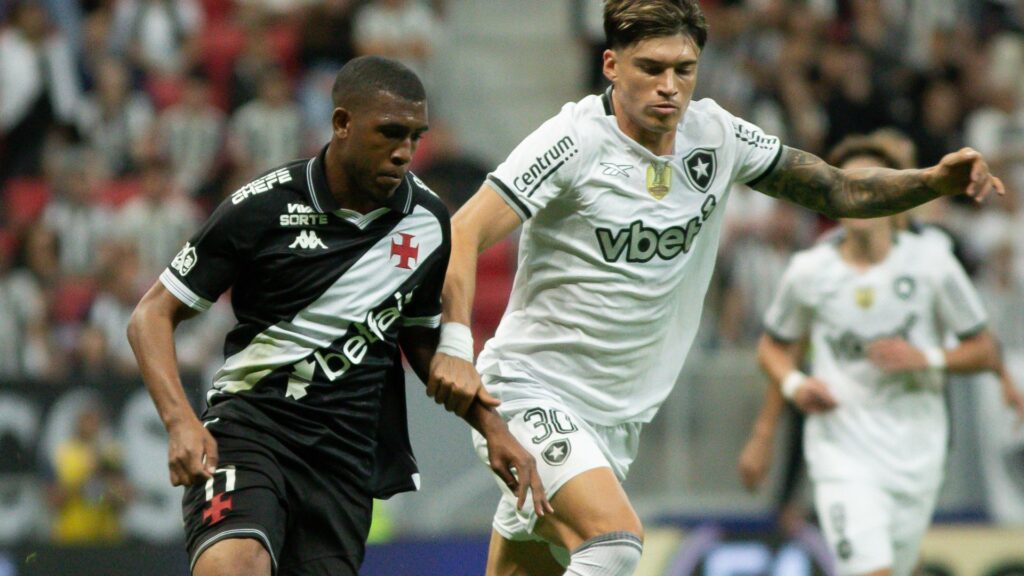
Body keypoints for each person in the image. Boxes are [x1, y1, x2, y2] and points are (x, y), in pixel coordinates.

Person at [425, 2, 1005, 575]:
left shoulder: (717, 136)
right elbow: (465, 229)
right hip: (532, 392)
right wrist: (454, 346)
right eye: (651, 68)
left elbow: (837, 190)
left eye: (684, 69)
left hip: (615, 421)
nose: (669, 86)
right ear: (610, 64)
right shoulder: (572, 142)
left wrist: (932, 181)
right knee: (615, 542)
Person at [127, 56, 548, 576]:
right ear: (342, 123)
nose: (404, 153)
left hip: (345, 459)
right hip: (251, 430)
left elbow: (419, 342)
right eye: (390, 133)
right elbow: (150, 316)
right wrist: (179, 423)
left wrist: (493, 429)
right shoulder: (261, 207)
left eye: (415, 137)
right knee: (234, 564)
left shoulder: (428, 221)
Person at [743, 132, 1019, 576]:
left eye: (871, 189)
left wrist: (926, 357)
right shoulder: (810, 271)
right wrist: (790, 394)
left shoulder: (932, 263)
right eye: (850, 189)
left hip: (917, 451)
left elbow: (984, 348)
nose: (860, 200)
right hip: (841, 450)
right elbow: (776, 345)